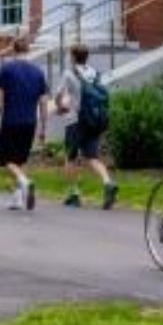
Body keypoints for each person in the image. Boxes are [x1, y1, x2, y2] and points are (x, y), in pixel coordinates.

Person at [52, 46, 119, 209]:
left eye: (71, 55)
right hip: (93, 120)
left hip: (75, 121)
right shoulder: (95, 73)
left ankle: (74, 194)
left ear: (74, 57)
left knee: (71, 157)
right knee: (93, 157)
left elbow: (58, 95)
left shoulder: (69, 73)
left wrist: (60, 108)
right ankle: (108, 182)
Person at [0, 36, 49, 211]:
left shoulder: (6, 69)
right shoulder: (39, 73)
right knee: (20, 160)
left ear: (13, 50)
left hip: (11, 120)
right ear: (28, 50)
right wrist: (43, 127)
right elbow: (44, 102)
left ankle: (25, 182)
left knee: (5, 157)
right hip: (30, 122)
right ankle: (17, 198)